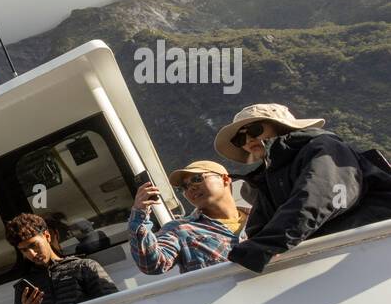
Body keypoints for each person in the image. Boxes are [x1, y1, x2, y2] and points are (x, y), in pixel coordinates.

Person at [213, 104, 391, 273]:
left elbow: (320, 197)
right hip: (338, 258)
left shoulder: (324, 146)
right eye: (239, 138)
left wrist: (265, 246)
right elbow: (259, 229)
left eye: (254, 130)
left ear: (280, 126)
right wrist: (253, 248)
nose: (249, 139)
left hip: (375, 248)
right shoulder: (267, 178)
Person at [128, 161, 250, 274]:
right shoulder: (179, 229)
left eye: (197, 179)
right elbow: (151, 264)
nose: (191, 188)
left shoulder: (261, 216)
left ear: (225, 179)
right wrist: (139, 214)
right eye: (183, 187)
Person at [6, 213, 118, 304]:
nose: (32, 254)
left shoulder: (84, 267)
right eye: (24, 250)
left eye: (34, 245)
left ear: (47, 236)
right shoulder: (23, 287)